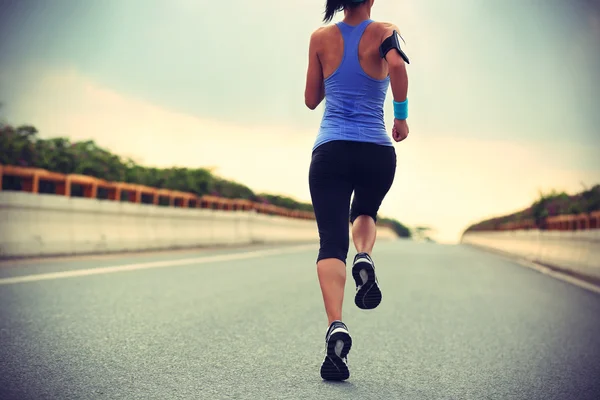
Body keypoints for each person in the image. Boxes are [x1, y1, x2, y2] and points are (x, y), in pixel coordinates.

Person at [304, 0, 410, 381]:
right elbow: (396, 66)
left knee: (331, 243)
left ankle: (336, 325)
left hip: (331, 150)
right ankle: (364, 254)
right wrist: (400, 116)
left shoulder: (320, 38)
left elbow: (311, 99)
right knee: (364, 213)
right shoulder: (384, 31)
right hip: (376, 150)